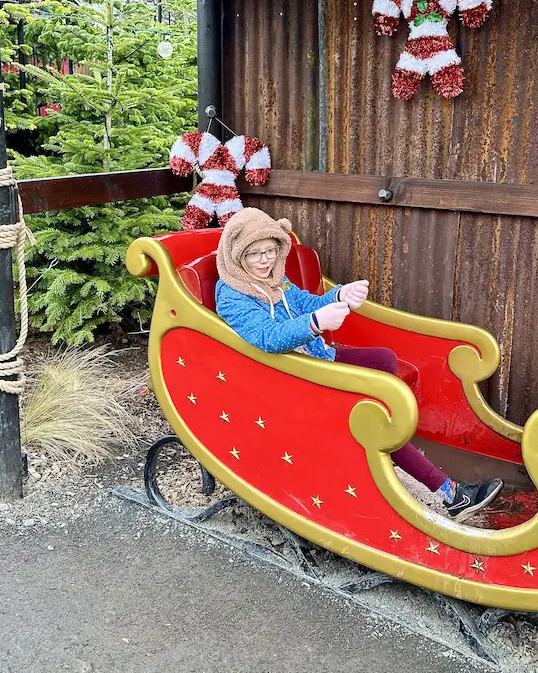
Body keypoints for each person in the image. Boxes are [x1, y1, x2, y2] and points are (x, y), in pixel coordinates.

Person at [215, 208, 503, 523]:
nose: (265, 260)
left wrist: (339, 294)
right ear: (236, 257)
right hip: (291, 380)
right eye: (255, 254)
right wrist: (313, 323)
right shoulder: (233, 297)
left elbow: (305, 303)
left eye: (270, 250)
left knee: (384, 360)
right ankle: (449, 493)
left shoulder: (273, 281)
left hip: (315, 359)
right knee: (377, 420)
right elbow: (267, 337)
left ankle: (378, 442)